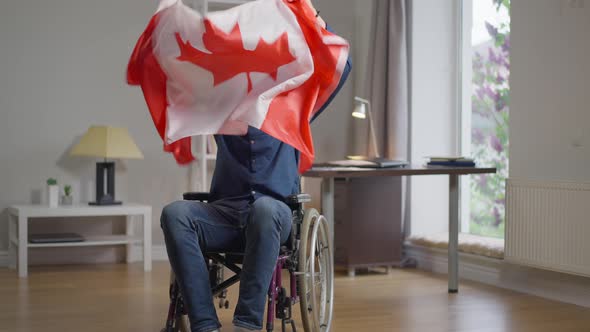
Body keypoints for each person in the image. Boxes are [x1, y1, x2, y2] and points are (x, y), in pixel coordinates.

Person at [160, 1, 352, 331]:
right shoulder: (221, 107)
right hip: (227, 213)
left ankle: (246, 325)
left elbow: (341, 65)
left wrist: (308, 11)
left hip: (276, 214)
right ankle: (205, 325)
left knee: (264, 209)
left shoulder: (293, 107)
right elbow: (184, 73)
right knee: (175, 213)